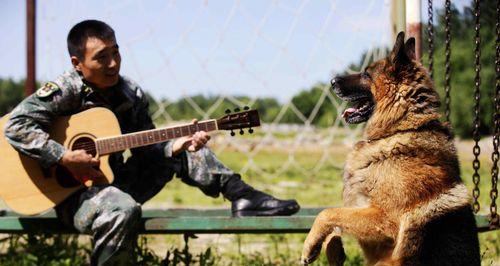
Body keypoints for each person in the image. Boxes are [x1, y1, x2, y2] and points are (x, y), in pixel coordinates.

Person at [4, 19, 300, 265]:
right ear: (77, 63)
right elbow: (16, 126)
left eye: (116, 52)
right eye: (101, 57)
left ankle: (242, 195)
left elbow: (147, 148)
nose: (113, 63)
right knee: (121, 208)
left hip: (114, 181)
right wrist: (63, 156)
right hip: (70, 196)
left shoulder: (130, 94)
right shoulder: (65, 89)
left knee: (178, 148)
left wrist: (176, 146)